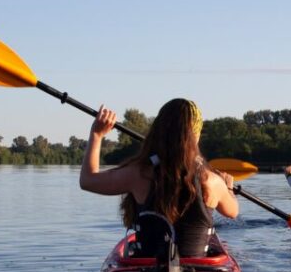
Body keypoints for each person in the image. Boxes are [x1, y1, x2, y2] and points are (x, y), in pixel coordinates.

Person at [79, 98, 238, 258]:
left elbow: (87, 180)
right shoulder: (211, 181)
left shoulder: (138, 174)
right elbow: (233, 212)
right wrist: (228, 187)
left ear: (158, 131)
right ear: (196, 136)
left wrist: (97, 134)